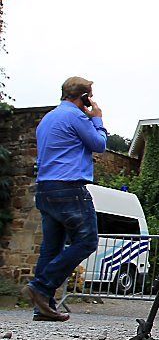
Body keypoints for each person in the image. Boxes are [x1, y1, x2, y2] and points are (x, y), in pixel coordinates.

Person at [21, 77, 107, 321]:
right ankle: (42, 286)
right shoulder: (76, 117)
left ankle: (43, 308)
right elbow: (99, 144)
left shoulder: (47, 120)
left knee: (51, 247)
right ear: (84, 98)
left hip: (45, 189)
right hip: (69, 187)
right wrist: (97, 117)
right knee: (87, 241)